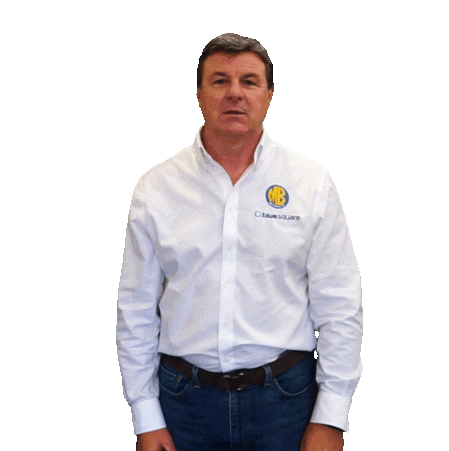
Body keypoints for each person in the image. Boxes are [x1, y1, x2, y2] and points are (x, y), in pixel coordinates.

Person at [117, 33, 362, 451]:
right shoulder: (156, 187)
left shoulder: (311, 183)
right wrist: (145, 416)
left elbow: (339, 304)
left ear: (269, 95)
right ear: (199, 94)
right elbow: (136, 309)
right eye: (220, 81)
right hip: (182, 406)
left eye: (249, 81)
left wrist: (331, 416)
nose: (235, 93)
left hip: (288, 403)